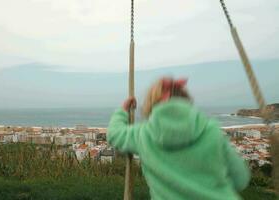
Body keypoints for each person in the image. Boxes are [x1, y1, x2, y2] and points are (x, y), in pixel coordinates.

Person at [107, 77, 250, 200]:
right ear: (186, 101)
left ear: (152, 106)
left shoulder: (143, 135)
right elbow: (240, 179)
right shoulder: (212, 131)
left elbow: (114, 134)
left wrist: (122, 111)